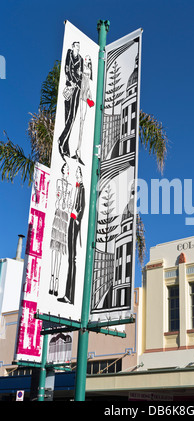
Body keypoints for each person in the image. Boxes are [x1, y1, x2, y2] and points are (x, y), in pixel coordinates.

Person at [58, 166, 85, 304]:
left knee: (72, 259)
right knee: (70, 259)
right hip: (70, 221)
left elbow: (82, 206)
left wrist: (77, 219)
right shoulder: (75, 188)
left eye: (78, 172)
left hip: (74, 223)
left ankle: (70, 295)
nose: (76, 174)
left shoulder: (82, 188)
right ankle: (67, 294)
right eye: (76, 172)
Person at [49, 163, 72, 296]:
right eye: (64, 169)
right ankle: (52, 278)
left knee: (60, 250)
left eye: (67, 170)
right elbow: (57, 199)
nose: (66, 171)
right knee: (54, 249)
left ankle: (57, 281)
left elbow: (68, 204)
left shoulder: (70, 186)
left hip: (64, 216)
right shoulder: (59, 182)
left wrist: (66, 203)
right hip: (58, 214)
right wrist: (61, 197)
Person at [58, 42, 83, 160]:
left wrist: (77, 83)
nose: (77, 48)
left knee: (72, 117)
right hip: (69, 87)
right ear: (73, 47)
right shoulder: (69, 53)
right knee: (67, 116)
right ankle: (65, 146)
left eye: (78, 47)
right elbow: (66, 68)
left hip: (77, 89)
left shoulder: (81, 59)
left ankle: (62, 140)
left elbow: (81, 74)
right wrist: (71, 80)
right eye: (76, 46)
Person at [72, 55, 94, 166]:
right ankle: (77, 150)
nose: (87, 60)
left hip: (84, 97)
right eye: (86, 58)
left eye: (88, 59)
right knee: (79, 121)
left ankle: (78, 151)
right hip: (80, 95)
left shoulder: (88, 71)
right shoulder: (81, 68)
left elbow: (88, 85)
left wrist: (90, 97)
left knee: (82, 122)